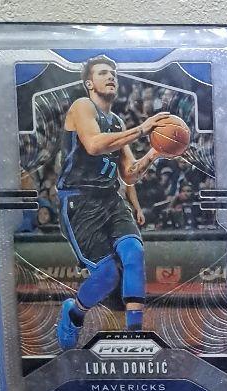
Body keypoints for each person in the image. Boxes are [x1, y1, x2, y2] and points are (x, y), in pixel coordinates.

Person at [54, 55, 172, 349]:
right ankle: (75, 312)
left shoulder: (117, 122)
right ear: (89, 83)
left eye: (114, 74)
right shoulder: (82, 106)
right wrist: (142, 129)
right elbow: (94, 145)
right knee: (108, 275)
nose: (111, 77)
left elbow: (129, 174)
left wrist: (156, 152)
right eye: (103, 73)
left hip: (110, 198)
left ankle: (135, 336)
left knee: (134, 252)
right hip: (80, 200)